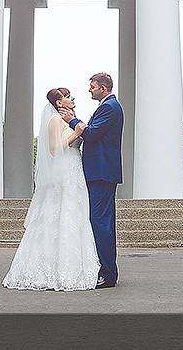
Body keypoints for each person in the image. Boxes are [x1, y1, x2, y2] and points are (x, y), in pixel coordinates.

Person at [2, 87, 100, 291]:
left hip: (75, 168)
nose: (72, 98)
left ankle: (75, 267)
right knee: (60, 213)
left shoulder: (68, 119)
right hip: (64, 170)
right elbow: (54, 149)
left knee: (75, 213)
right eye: (67, 97)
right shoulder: (55, 120)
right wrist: (76, 134)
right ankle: (49, 269)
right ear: (59, 103)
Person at [58, 72, 123, 289]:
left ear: (103, 88)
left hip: (101, 172)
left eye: (92, 86)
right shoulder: (107, 106)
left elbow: (92, 134)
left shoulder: (110, 107)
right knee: (101, 221)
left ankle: (107, 273)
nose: (89, 90)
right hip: (100, 172)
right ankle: (105, 270)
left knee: (100, 222)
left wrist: (72, 120)